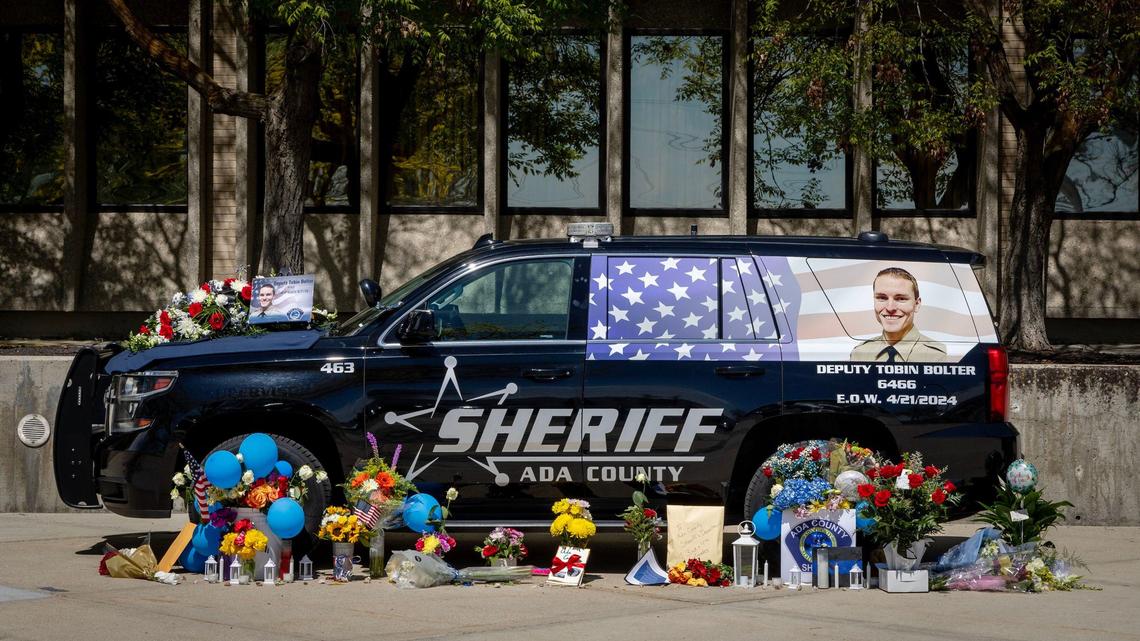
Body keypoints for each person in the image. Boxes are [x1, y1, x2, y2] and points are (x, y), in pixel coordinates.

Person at [850, 267, 947, 362]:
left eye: (901, 299)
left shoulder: (937, 356)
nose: (890, 308)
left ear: (917, 304)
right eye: (882, 298)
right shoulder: (859, 354)